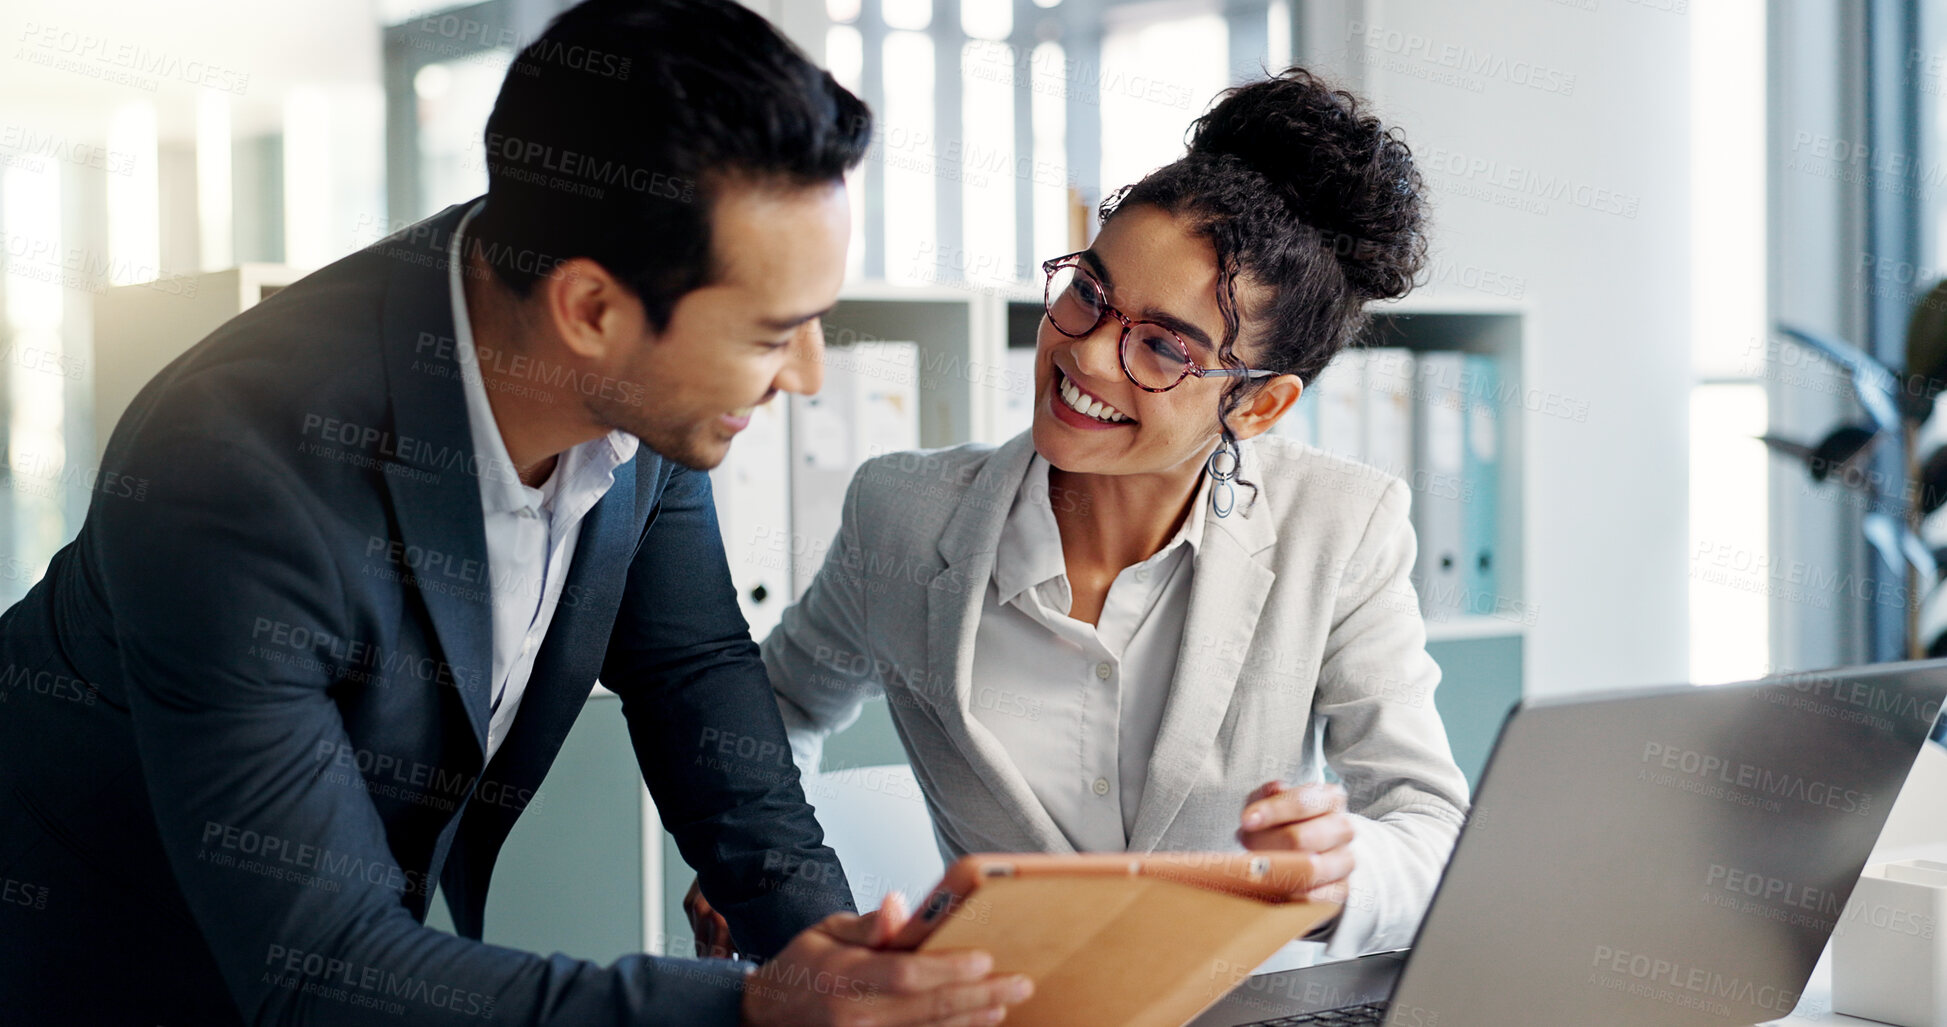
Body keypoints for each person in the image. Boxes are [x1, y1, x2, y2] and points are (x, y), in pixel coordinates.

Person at [0, 1, 1034, 1024]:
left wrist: (831, 956)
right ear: (590, 311)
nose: (807, 376)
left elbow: (691, 670)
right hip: (97, 952)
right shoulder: (233, 471)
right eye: (774, 333)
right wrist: (757, 1010)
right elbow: (321, 975)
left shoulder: (639, 380)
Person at [689, 68, 1472, 963]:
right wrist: (750, 860)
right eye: (1088, 294)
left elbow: (1428, 823)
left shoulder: (1339, 527)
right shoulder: (900, 515)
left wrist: (1346, 869)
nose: (1088, 356)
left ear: (1257, 407)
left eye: (1162, 346)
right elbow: (780, 703)